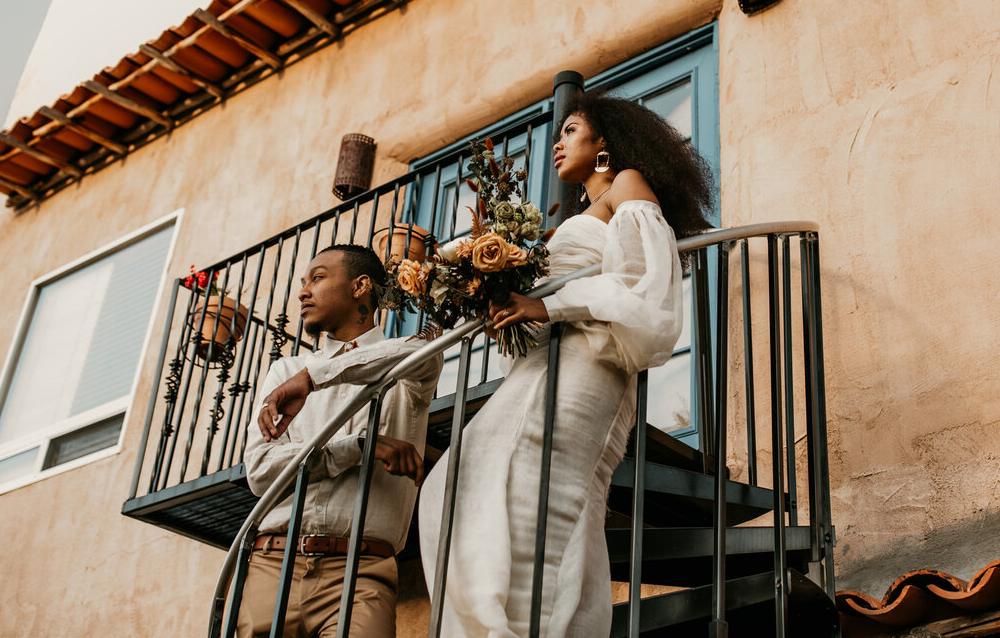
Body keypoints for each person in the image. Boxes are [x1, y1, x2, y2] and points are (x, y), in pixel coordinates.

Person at [418, 89, 714, 637]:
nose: (558, 141)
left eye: (571, 129)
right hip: (543, 365)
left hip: (587, 365)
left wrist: (545, 304)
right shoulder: (577, 215)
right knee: (458, 482)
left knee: (544, 501)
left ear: (604, 142)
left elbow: (640, 286)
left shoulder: (625, 185)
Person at [238, 244, 443, 638]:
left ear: (360, 286)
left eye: (317, 278)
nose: (302, 292)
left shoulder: (405, 364)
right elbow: (262, 472)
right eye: (303, 282)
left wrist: (315, 377)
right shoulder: (284, 369)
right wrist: (359, 448)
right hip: (271, 565)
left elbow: (424, 353)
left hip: (362, 571)